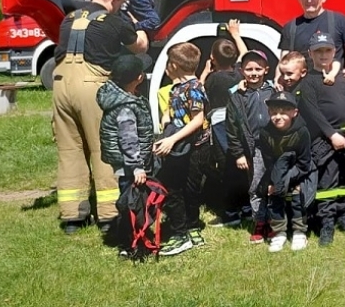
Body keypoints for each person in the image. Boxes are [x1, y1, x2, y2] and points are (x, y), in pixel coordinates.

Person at [53, 0, 148, 234]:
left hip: (61, 85)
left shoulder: (69, 19)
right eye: (121, 3)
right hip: (91, 85)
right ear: (116, 0)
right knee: (103, 148)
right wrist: (139, 28)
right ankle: (108, 215)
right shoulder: (115, 21)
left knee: (70, 149)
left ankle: (72, 216)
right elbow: (140, 47)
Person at [293, 32, 345, 246]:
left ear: (334, 51)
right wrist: (332, 134)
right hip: (326, 140)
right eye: (318, 51)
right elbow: (313, 112)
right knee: (328, 180)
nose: (323, 54)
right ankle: (326, 222)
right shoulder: (308, 82)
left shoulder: (342, 78)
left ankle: (344, 214)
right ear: (311, 54)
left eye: (327, 50)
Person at [153, 42, 208, 256]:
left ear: (174, 64)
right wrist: (166, 117)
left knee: (180, 189)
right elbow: (174, 111)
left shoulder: (194, 88)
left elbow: (198, 120)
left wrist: (171, 140)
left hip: (191, 148)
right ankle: (188, 227)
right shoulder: (177, 88)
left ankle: (182, 232)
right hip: (180, 145)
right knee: (181, 188)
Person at [97, 54, 154, 257]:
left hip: (127, 163)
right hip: (130, 165)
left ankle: (135, 237)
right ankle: (130, 244)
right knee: (131, 204)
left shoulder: (120, 95)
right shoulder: (126, 107)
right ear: (138, 78)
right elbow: (128, 140)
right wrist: (137, 166)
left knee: (132, 201)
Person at [226, 49, 277, 244]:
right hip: (253, 148)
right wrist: (239, 153)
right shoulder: (237, 95)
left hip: (274, 147)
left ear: (266, 69)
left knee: (273, 186)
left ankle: (273, 222)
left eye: (258, 68)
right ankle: (259, 222)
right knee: (256, 186)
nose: (254, 72)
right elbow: (231, 127)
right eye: (249, 69)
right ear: (241, 70)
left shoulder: (274, 91)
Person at [258, 90, 315, 253]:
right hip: (276, 172)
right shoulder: (264, 133)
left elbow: (304, 163)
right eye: (274, 112)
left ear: (294, 113)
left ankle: (299, 232)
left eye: (283, 113)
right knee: (274, 195)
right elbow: (268, 163)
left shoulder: (302, 132)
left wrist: (289, 181)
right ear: (269, 113)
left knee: (297, 195)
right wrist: (273, 183)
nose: (278, 116)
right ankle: (279, 232)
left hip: (300, 172)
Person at [278, 0, 345, 84]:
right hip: (302, 87)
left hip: (332, 84)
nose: (309, 0)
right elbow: (284, 60)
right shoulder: (290, 27)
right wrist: (278, 79)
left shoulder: (340, 21)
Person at [202, 33, 246, 228]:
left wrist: (205, 71)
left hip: (220, 125)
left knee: (226, 169)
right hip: (238, 123)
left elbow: (199, 89)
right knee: (240, 169)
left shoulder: (213, 78)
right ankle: (247, 209)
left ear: (213, 59)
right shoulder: (239, 73)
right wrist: (236, 34)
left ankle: (230, 214)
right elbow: (245, 54)